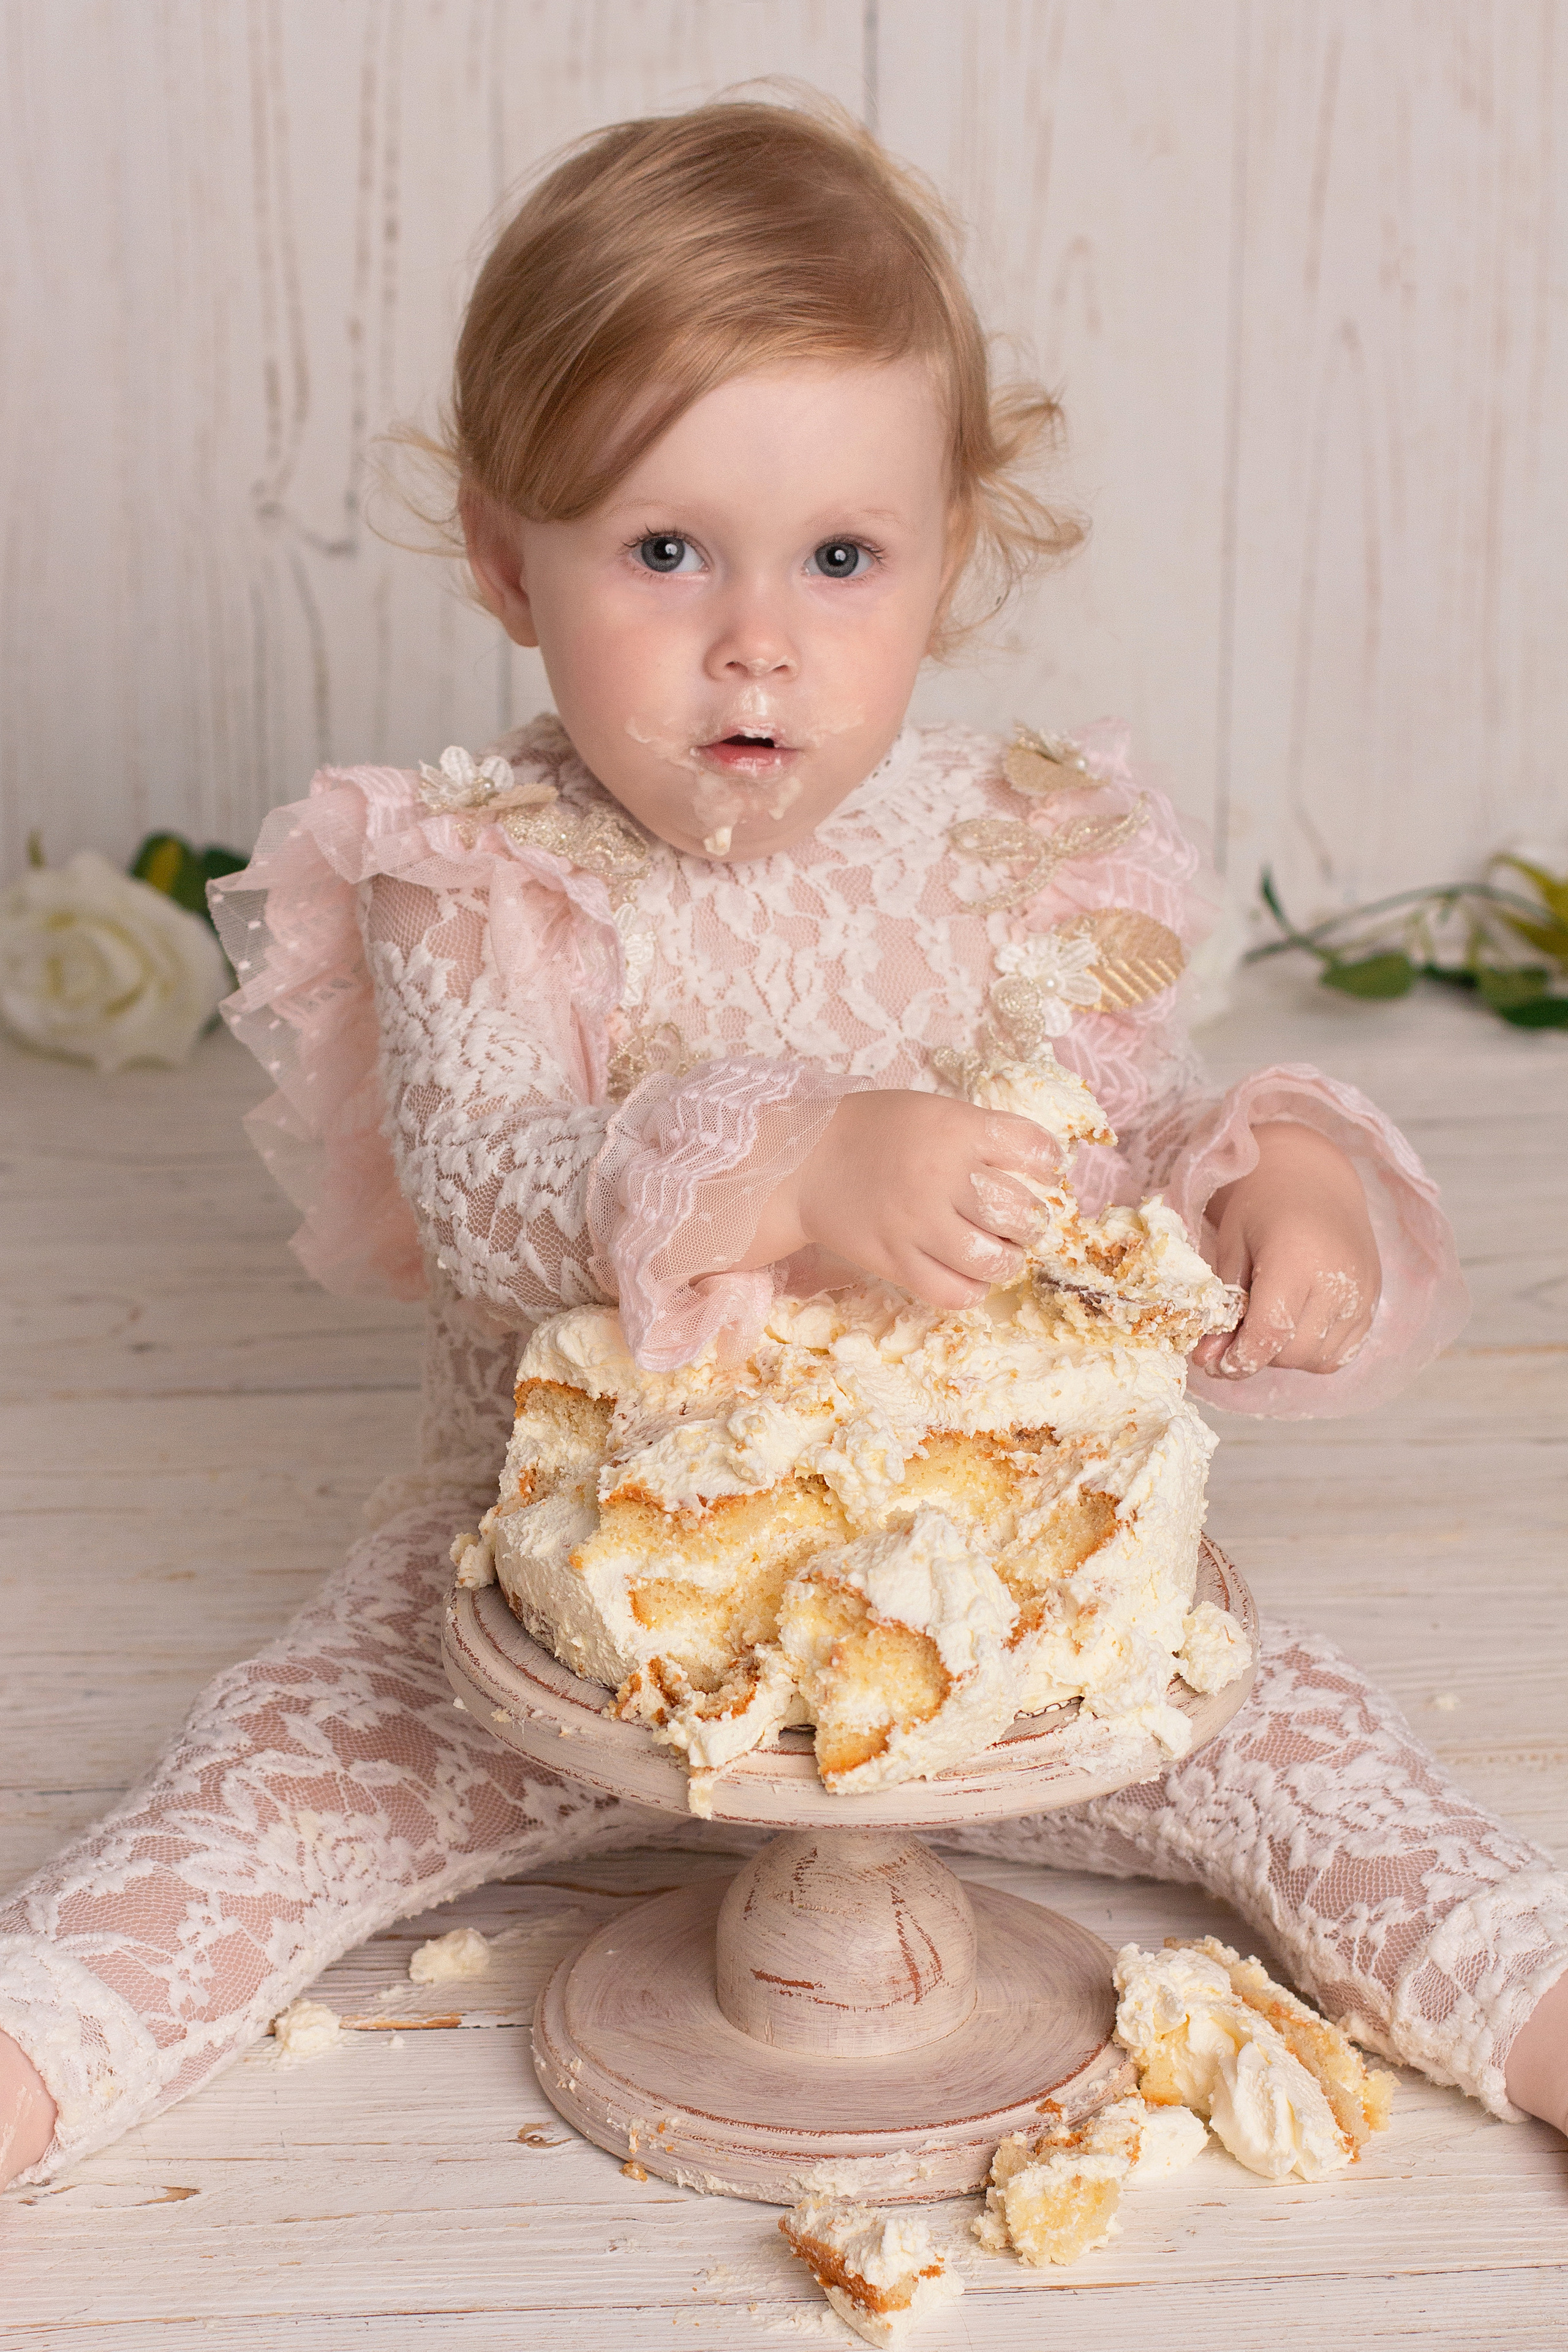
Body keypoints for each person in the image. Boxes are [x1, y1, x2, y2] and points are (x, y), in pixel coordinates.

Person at [3, 94, 1566, 2195]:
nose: (761, 638)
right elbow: (491, 1200)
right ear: (502, 554)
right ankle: (41, 2049)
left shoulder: (1018, 850)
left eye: (843, 558)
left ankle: (1533, 2002)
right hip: (556, 1595)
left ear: (948, 548)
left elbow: (1092, 1154)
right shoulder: (485, 876)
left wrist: (1262, 1186)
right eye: (666, 552)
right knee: (255, 1804)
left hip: (985, 1592)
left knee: (1305, 1755)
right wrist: (803, 1162)